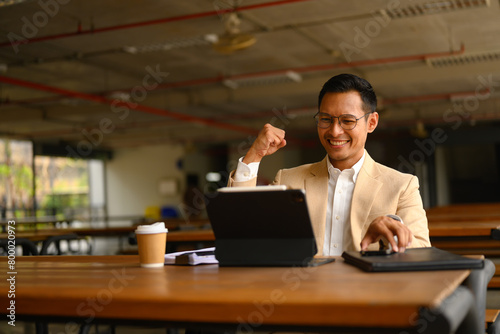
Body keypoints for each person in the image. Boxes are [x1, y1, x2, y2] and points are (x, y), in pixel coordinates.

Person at [228, 73, 430, 256]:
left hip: (367, 293)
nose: (334, 131)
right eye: (326, 119)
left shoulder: (403, 185)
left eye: (347, 121)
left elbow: (421, 252)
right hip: (301, 292)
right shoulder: (288, 180)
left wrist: (391, 235)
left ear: (371, 123)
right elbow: (241, 230)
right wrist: (254, 156)